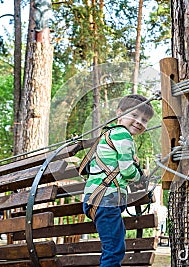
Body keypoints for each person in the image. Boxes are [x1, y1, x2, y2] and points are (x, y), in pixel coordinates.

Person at [82, 94, 154, 267]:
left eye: (144, 120)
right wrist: (140, 178)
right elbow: (128, 171)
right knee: (114, 249)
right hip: (105, 200)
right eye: (134, 115)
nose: (139, 122)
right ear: (119, 113)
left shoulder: (110, 134)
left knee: (113, 247)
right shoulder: (123, 136)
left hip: (100, 199)